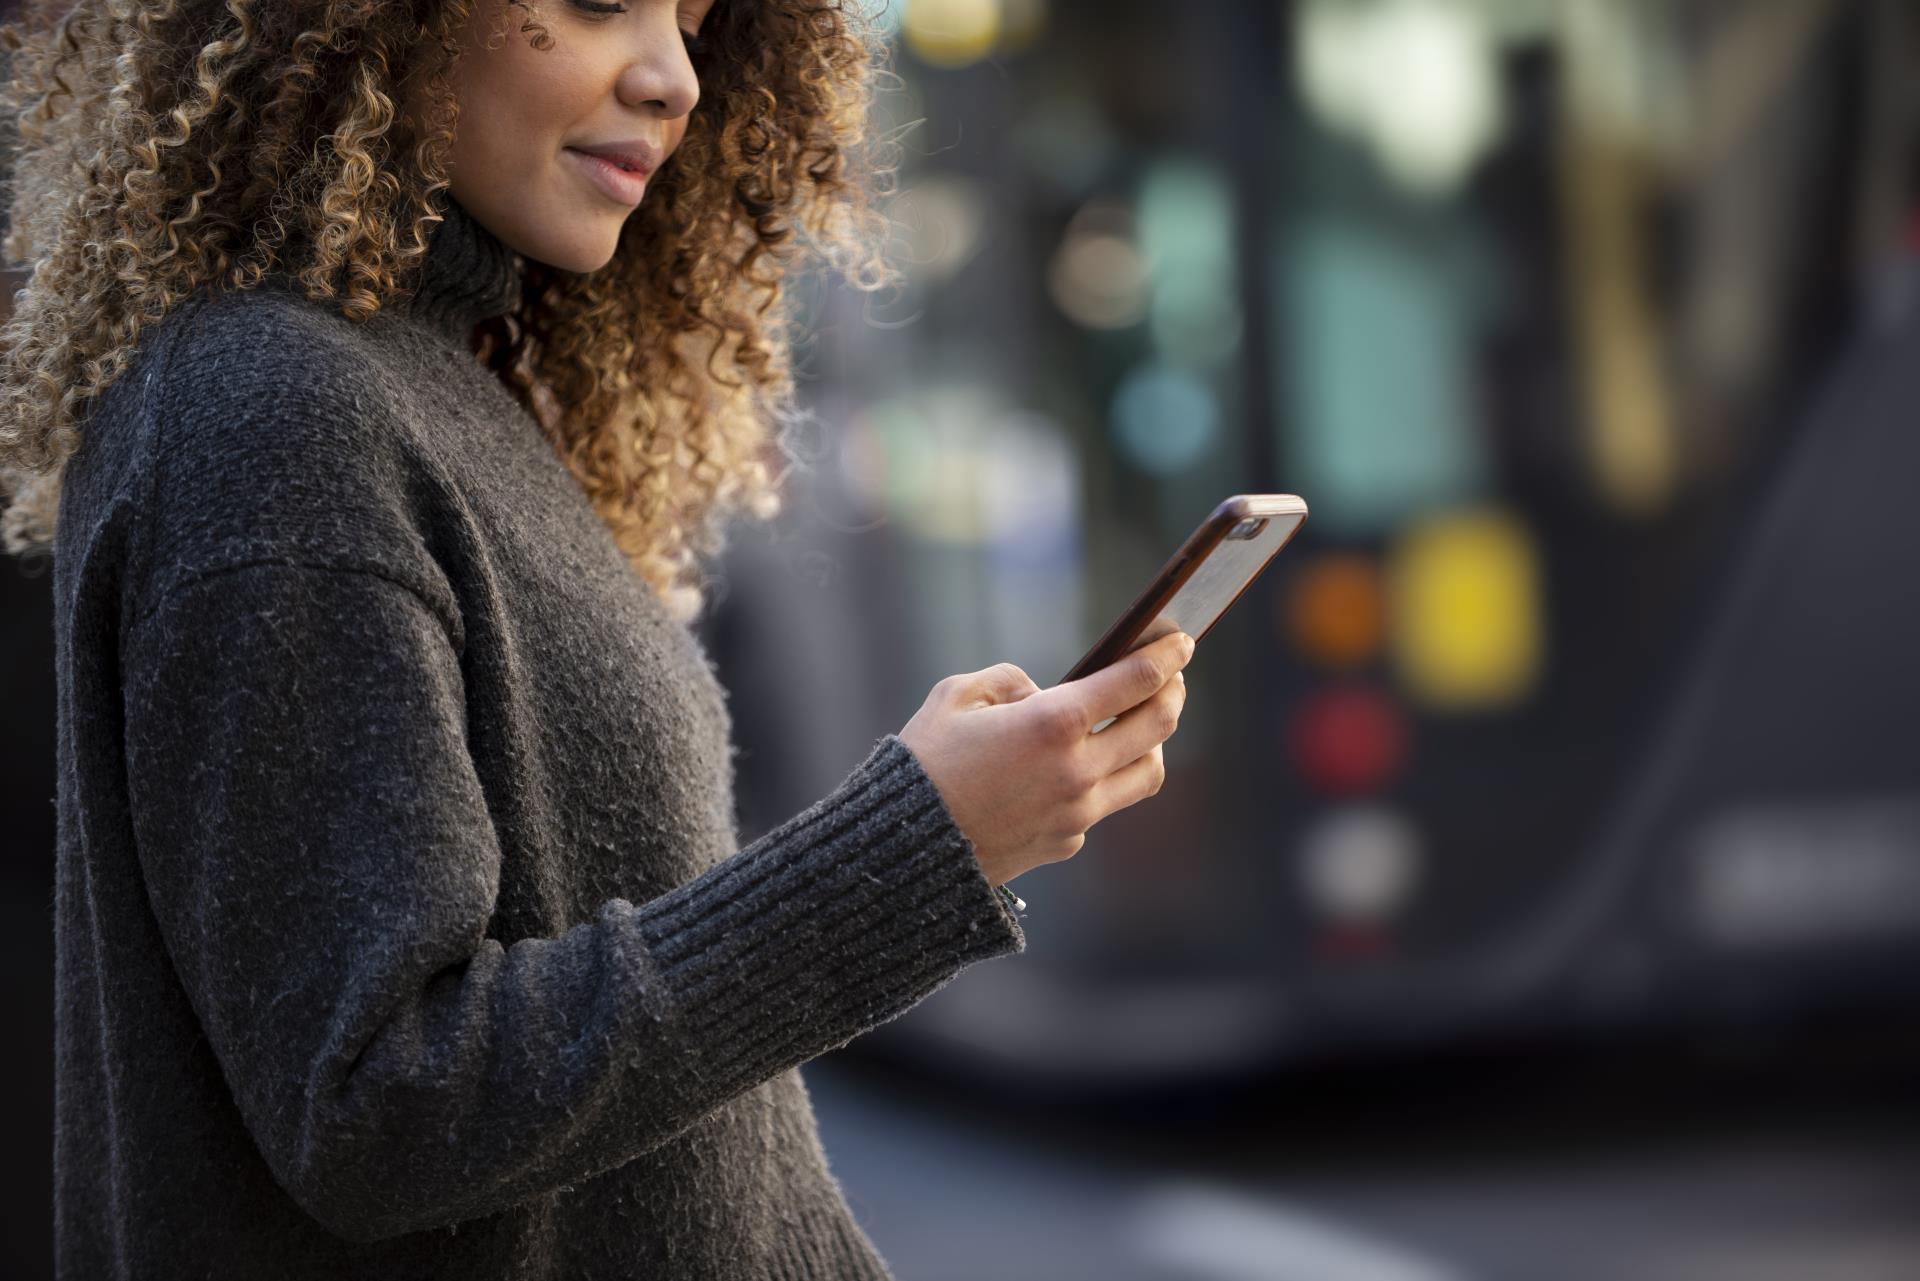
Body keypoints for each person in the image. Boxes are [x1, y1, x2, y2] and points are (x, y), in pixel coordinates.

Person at [0, 1, 1192, 1277]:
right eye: (597, 4)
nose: (675, 79)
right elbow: (379, 1104)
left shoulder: (430, 382)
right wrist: (920, 847)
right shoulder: (276, 417)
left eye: (692, 19)